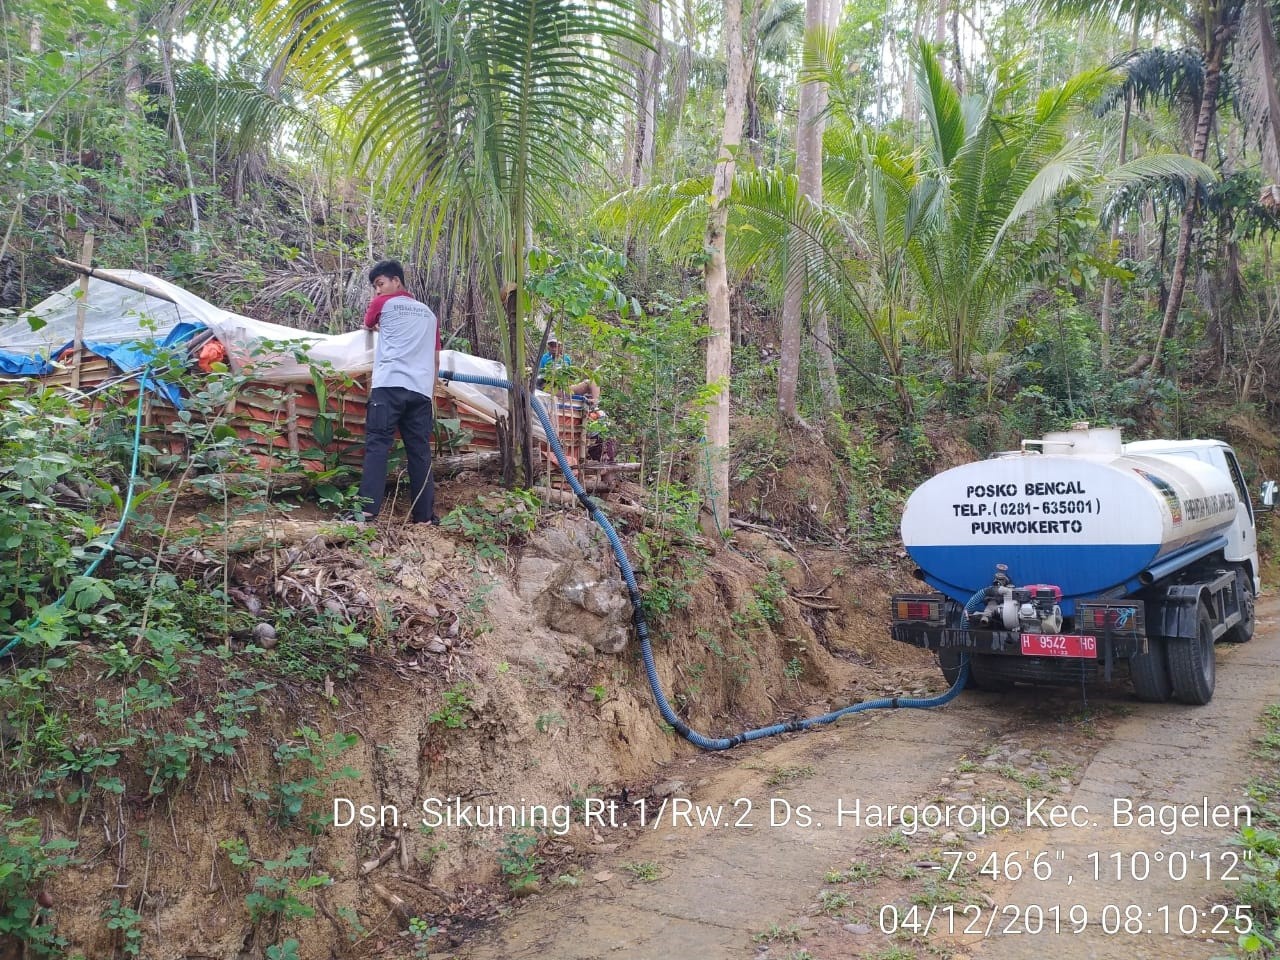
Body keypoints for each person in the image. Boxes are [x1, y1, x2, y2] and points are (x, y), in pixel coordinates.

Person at [355, 259, 440, 524]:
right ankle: (424, 516)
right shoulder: (429, 313)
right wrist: (431, 390)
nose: (377, 291)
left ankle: (367, 512)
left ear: (396, 281)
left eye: (380, 284)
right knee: (419, 452)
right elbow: (435, 357)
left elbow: (368, 325)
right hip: (421, 391)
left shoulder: (383, 304)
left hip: (389, 386)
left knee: (378, 445)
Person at [536, 335, 600, 405]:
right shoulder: (543, 358)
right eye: (552, 346)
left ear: (560, 346)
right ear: (548, 346)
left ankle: (595, 401)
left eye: (556, 346)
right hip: (551, 390)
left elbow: (569, 377)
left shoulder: (566, 359)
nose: (554, 348)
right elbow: (539, 379)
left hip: (566, 388)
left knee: (592, 381)